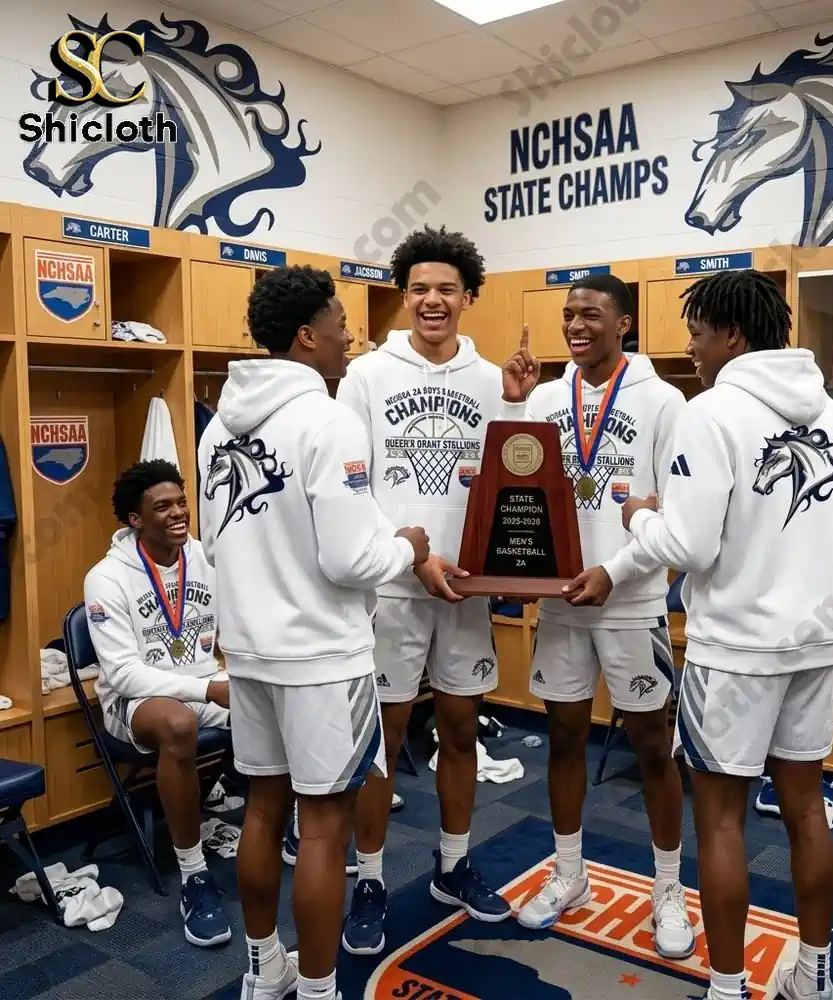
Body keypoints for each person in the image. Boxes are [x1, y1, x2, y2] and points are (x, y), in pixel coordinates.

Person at [622, 269, 833, 1000]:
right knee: (806, 809)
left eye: (696, 333)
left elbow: (690, 546)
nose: (691, 349)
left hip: (733, 651)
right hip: (813, 643)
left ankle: (727, 988)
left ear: (732, 333)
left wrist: (640, 514)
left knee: (721, 821)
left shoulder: (713, 410)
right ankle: (813, 978)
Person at [197, 264, 431, 1000]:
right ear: (306, 336)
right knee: (325, 826)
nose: (348, 337)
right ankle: (324, 989)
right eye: (338, 324)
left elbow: (213, 547)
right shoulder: (328, 420)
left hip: (252, 653)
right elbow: (351, 557)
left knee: (264, 808)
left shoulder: (216, 429)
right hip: (324, 659)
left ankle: (265, 971)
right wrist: (409, 547)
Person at [335, 224, 538, 955]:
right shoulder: (365, 377)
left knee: (459, 730)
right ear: (404, 294)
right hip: (393, 588)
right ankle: (368, 877)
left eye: (446, 289)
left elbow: (515, 476)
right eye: (419, 288)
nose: (432, 300)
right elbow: (351, 489)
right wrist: (412, 557)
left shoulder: (492, 380)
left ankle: (453, 865)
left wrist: (517, 404)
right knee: (381, 744)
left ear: (468, 297)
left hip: (468, 588)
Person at [503, 273, 694, 956]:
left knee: (651, 748)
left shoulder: (665, 401)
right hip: (562, 603)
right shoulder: (547, 398)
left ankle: (667, 889)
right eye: (568, 315)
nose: (576, 326)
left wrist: (617, 572)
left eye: (591, 314)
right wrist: (521, 568)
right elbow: (520, 490)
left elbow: (676, 516)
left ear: (625, 324)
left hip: (632, 600)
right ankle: (569, 872)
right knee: (563, 738)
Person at [83, 459, 232, 948]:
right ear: (135, 519)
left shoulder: (207, 557)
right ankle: (194, 876)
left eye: (181, 502)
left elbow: (231, 624)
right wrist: (208, 689)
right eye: (161, 506)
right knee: (179, 725)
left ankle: (295, 832)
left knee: (283, 704)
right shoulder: (106, 577)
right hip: (137, 700)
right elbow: (123, 673)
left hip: (204, 681)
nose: (177, 513)